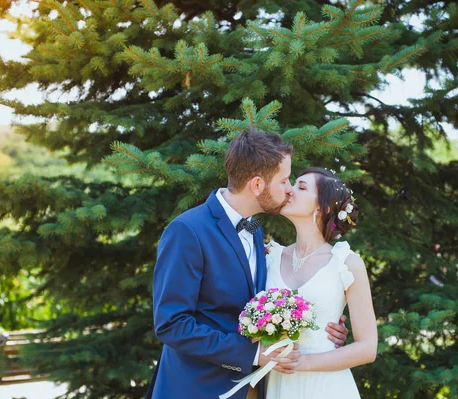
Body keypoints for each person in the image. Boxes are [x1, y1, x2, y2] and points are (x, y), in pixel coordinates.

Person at [148, 130, 349, 399]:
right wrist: (254, 354)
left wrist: (324, 329)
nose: (289, 189)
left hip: (253, 389)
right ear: (257, 185)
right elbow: (172, 324)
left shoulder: (254, 231)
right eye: (284, 180)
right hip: (198, 388)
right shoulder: (187, 231)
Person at [264, 167, 378, 399]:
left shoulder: (346, 263)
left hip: (325, 386)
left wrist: (303, 362)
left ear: (323, 207)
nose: (289, 190)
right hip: (277, 385)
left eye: (301, 187)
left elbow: (367, 348)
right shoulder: (269, 258)